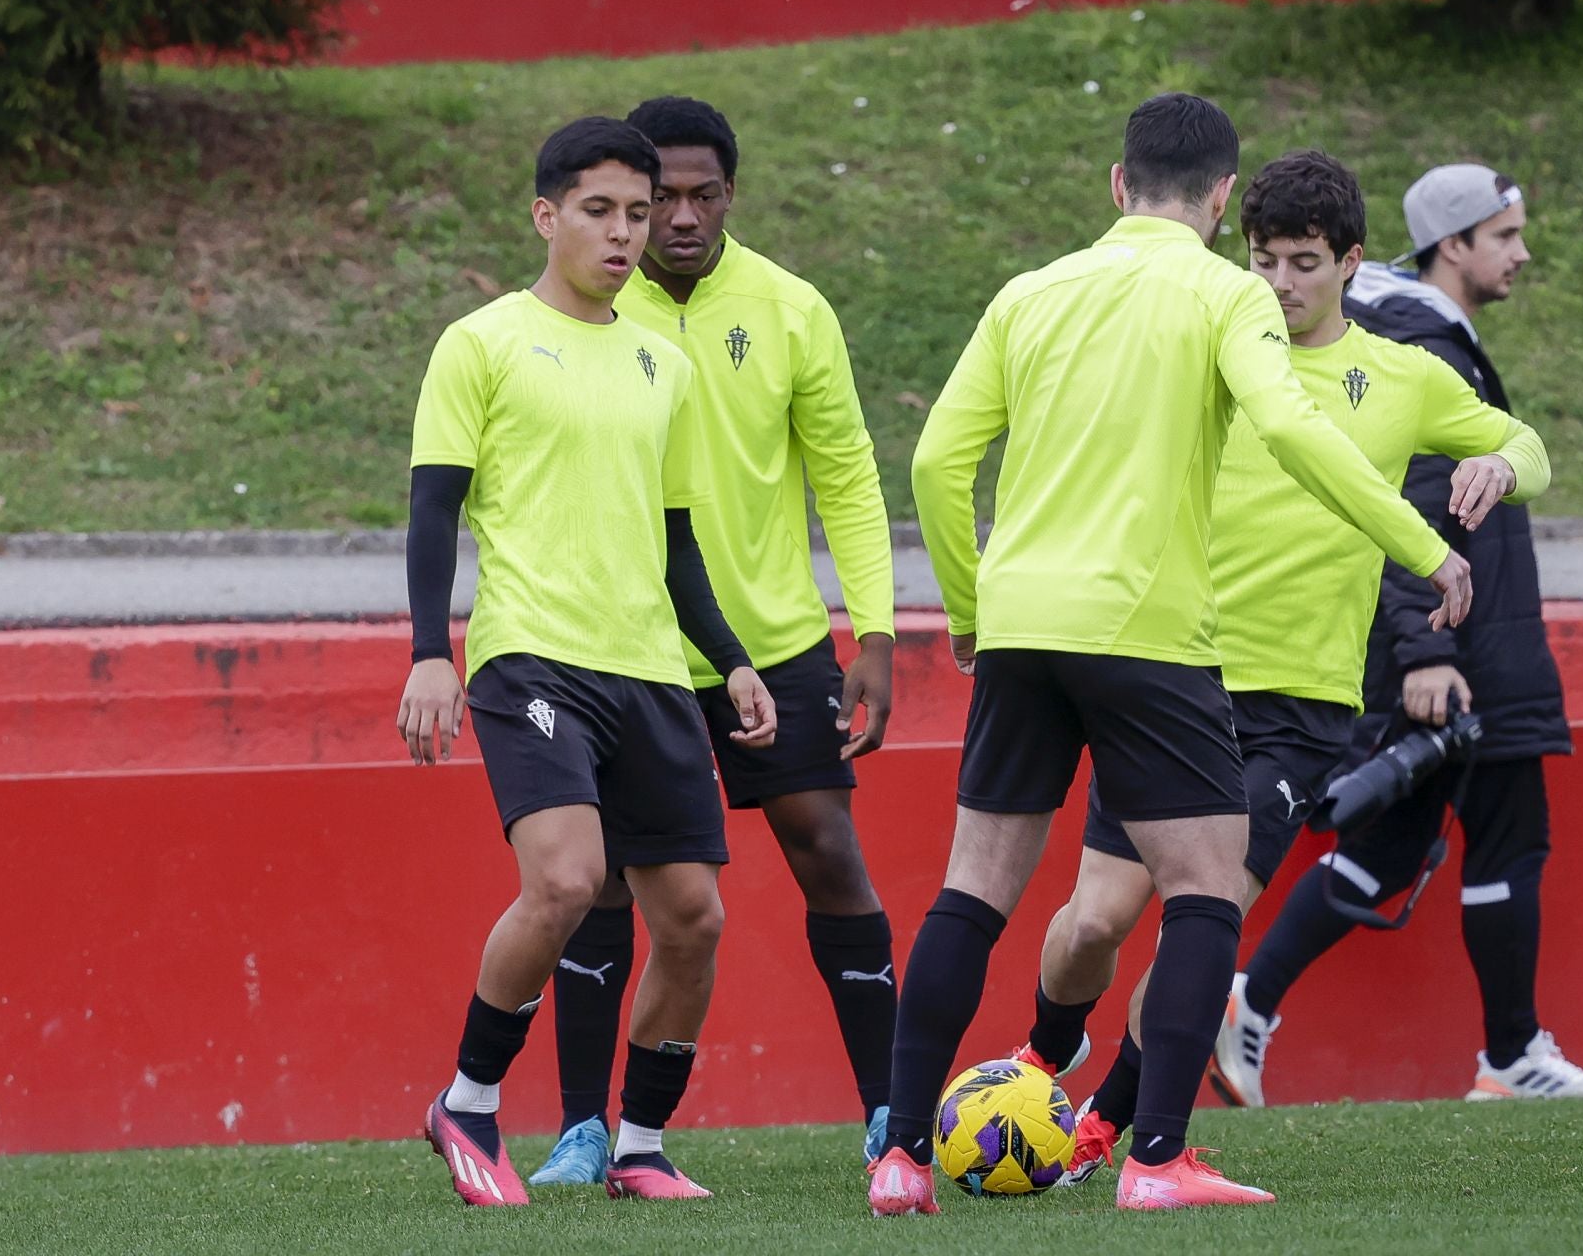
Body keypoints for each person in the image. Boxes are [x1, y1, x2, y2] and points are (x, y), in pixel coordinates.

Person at [867, 94, 1473, 1218]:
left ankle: (901, 1156)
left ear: (1115, 184)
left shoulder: (1030, 291)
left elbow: (940, 462)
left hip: (1022, 624)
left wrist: (966, 608)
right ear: (1221, 200)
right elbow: (1293, 431)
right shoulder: (1226, 291)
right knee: (1202, 890)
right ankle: (1155, 1158)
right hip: (1149, 634)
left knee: (974, 889)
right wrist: (1424, 545)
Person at [1009, 150, 1554, 1183]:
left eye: (1303, 261)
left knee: (1202, 918)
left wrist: (1500, 460)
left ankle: (1109, 1129)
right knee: (1093, 921)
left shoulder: (1402, 373)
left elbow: (1528, 441)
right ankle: (1043, 1050)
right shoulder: (1206, 348)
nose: (1279, 283)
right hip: (1172, 678)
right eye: (1261, 259)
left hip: (1300, 707)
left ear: (1351, 263)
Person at [398, 115, 779, 1206]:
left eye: (639, 212)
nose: (627, 233)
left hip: (652, 670)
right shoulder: (481, 342)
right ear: (546, 216)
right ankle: (468, 1102)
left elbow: (674, 538)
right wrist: (432, 651)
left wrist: (732, 659)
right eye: (601, 211)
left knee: (694, 915)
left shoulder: (665, 359)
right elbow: (434, 510)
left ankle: (643, 1142)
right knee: (565, 879)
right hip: (534, 659)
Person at [526, 95, 901, 1186]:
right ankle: (583, 1131)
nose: (679, 217)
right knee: (602, 887)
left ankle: (887, 1112)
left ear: (732, 194)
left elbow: (847, 477)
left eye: (703, 194)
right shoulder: (589, 307)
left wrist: (872, 628)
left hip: (775, 645)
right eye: (662, 197)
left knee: (829, 851)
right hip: (629, 646)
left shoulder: (791, 309)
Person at [1212, 163, 1583, 1108]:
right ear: (1455, 244)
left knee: (1394, 843)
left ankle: (1254, 1001)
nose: (1522, 253)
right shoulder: (1404, 350)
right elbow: (1395, 503)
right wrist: (1427, 650)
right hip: (1460, 647)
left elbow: (1502, 461)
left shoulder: (1413, 340)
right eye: (1505, 235)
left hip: (1457, 639)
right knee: (1508, 839)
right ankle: (1510, 1055)